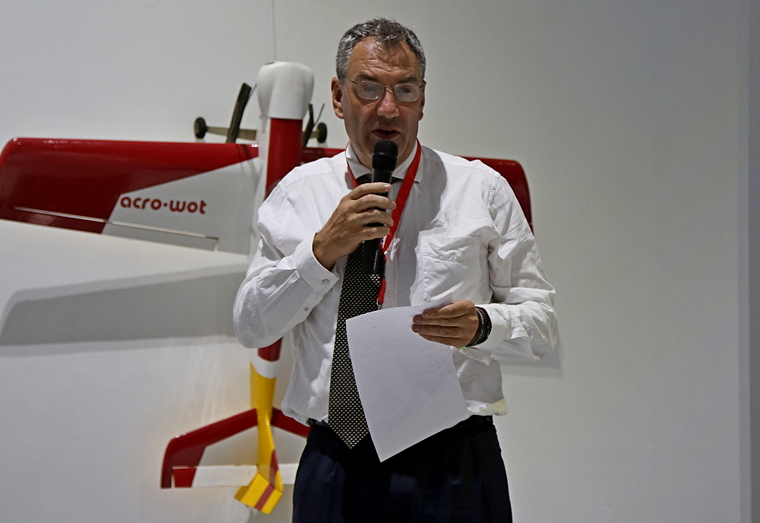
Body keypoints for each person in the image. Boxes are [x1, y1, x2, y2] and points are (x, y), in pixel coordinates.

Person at [233, 17, 558, 522]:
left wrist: (483, 325)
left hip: (452, 463)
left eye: (405, 89)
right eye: (369, 88)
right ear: (338, 97)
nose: (388, 108)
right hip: (337, 460)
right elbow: (252, 325)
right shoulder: (299, 193)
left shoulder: (480, 190)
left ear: (423, 99)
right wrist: (320, 251)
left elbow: (542, 326)